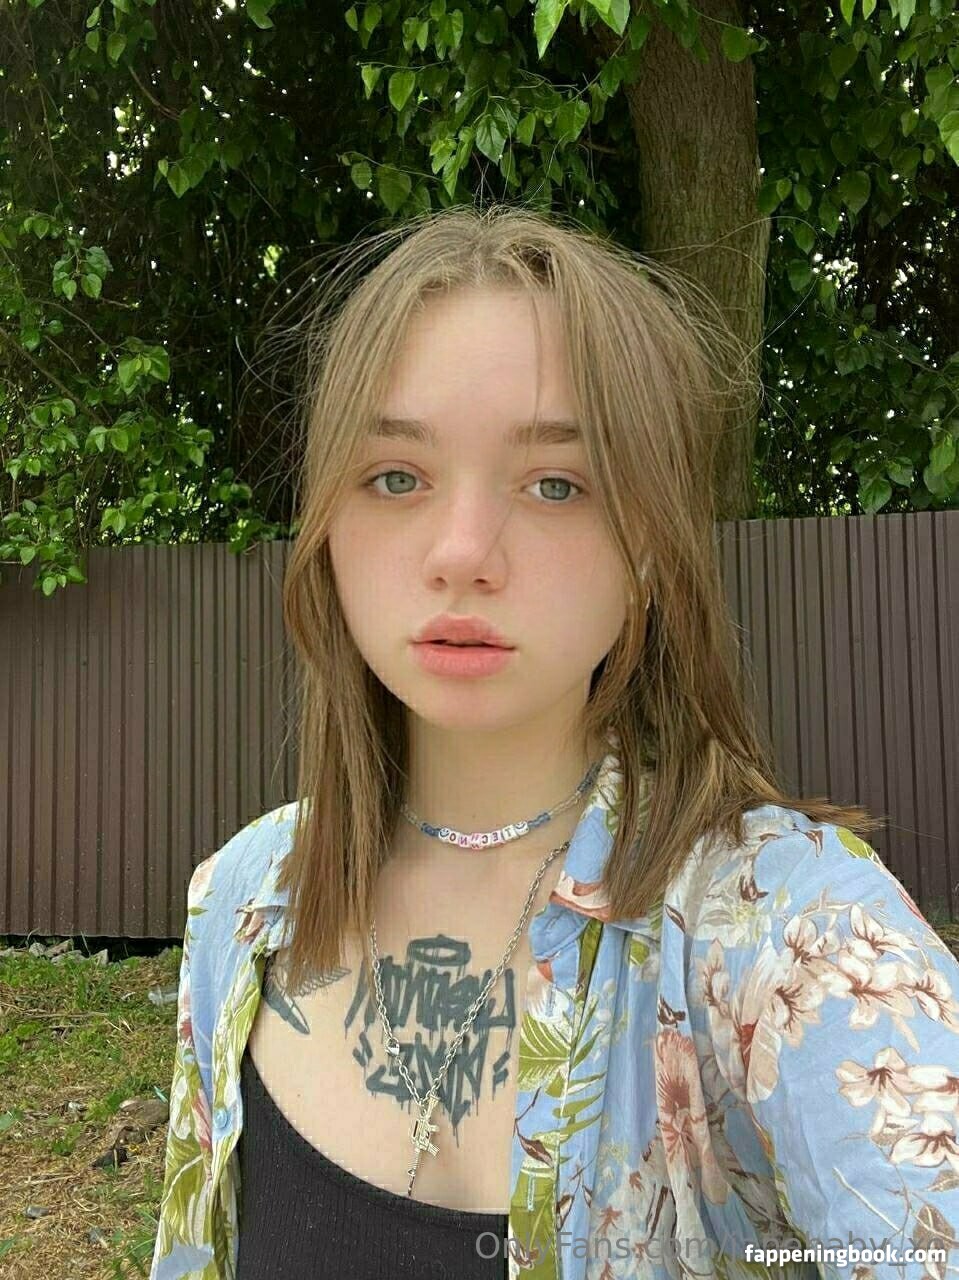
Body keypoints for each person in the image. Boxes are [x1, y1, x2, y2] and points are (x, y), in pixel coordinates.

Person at [149, 205, 959, 1280]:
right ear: (325, 525)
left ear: (651, 546)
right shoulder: (244, 904)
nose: (461, 553)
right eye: (395, 475)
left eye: (555, 484)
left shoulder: (788, 932)